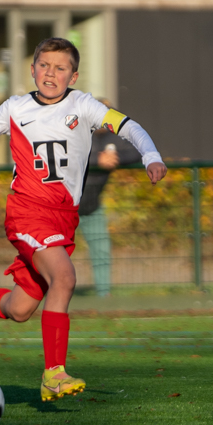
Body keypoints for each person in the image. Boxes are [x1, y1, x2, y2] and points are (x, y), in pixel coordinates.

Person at [0, 37, 166, 402]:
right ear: (33, 68)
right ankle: (54, 374)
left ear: (74, 75)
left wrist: (150, 155)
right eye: (44, 65)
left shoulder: (84, 105)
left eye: (60, 68)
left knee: (20, 309)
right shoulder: (15, 108)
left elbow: (129, 126)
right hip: (27, 212)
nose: (51, 73)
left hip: (64, 219)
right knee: (65, 277)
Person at [78, 102, 141, 297]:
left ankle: (103, 298)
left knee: (101, 250)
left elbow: (137, 151)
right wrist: (98, 160)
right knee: (52, 253)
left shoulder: (112, 137)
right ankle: (43, 294)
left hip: (92, 207)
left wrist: (116, 157)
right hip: (62, 207)